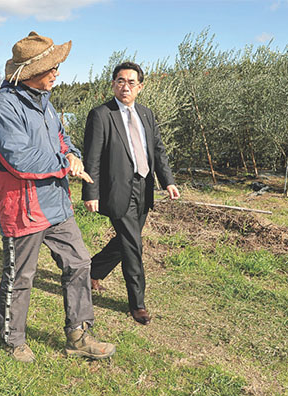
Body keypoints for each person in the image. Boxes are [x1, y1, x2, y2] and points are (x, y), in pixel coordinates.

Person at [0, 31, 115, 362]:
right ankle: (14, 340)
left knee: (80, 262)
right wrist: (63, 165)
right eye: (51, 68)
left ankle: (78, 335)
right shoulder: (2, 107)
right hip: (23, 207)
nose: (57, 73)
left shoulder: (46, 104)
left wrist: (72, 154)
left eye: (57, 66)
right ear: (29, 73)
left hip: (56, 204)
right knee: (21, 277)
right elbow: (19, 159)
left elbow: (61, 139)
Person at [82, 62, 180, 325]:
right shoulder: (101, 114)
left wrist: (167, 181)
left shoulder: (146, 114)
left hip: (144, 187)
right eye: (120, 81)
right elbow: (91, 157)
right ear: (113, 84)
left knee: (126, 241)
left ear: (140, 87)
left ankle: (89, 271)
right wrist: (91, 192)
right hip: (117, 189)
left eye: (131, 82)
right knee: (133, 246)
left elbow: (157, 150)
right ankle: (138, 304)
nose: (125, 86)